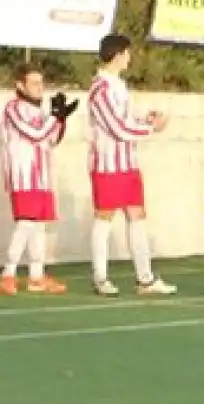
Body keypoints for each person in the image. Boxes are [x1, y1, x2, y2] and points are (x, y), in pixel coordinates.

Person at [86, 33, 176, 296]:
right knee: (104, 217)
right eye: (126, 53)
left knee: (137, 216)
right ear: (117, 55)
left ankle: (145, 279)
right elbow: (116, 127)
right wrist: (150, 129)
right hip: (107, 164)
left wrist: (146, 117)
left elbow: (126, 117)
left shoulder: (118, 85)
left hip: (128, 162)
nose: (129, 58)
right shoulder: (99, 90)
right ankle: (100, 277)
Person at [1, 62, 75, 295]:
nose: (39, 87)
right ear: (20, 85)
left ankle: (36, 275)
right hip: (23, 176)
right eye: (33, 83)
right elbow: (34, 134)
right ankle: (8, 273)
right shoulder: (12, 108)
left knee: (38, 226)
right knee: (26, 223)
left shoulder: (40, 111)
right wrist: (54, 117)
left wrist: (61, 119)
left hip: (42, 176)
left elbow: (50, 139)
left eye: (41, 83)